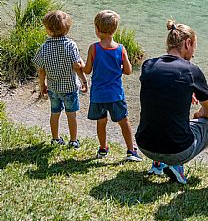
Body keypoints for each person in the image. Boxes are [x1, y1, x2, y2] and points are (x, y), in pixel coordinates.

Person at [135, 20, 208, 184]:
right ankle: (177, 166)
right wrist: (199, 114)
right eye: (194, 48)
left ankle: (158, 164)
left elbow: (160, 94)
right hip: (177, 151)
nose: (193, 54)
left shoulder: (148, 65)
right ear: (188, 43)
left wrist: (184, 92)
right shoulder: (191, 70)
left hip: (145, 145)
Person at [83, 10, 142, 162]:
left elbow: (87, 70)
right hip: (116, 94)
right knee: (124, 121)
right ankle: (131, 151)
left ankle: (103, 149)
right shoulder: (121, 49)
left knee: (101, 122)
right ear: (115, 30)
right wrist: (118, 69)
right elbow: (128, 71)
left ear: (97, 29)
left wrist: (80, 66)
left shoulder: (93, 48)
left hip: (98, 95)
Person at [33, 10, 87, 148]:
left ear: (48, 30)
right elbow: (76, 66)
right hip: (70, 88)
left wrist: (42, 86)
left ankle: (55, 138)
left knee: (55, 113)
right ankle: (73, 141)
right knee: (71, 115)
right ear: (67, 29)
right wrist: (84, 81)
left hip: (53, 88)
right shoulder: (71, 45)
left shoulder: (44, 48)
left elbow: (41, 69)